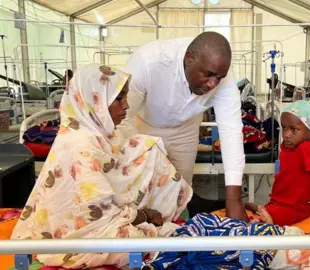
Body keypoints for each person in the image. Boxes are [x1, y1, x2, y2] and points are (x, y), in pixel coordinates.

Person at [11, 64, 192, 268]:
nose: (125, 106)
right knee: (135, 243)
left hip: (101, 209)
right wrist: (142, 215)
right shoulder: (80, 146)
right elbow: (95, 211)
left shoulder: (101, 134)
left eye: (125, 97)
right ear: (94, 101)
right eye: (118, 98)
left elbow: (118, 170)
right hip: (78, 225)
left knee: (145, 147)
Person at [121, 31, 247, 220]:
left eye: (218, 78)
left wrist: (234, 199)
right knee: (142, 189)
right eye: (208, 75)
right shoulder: (148, 62)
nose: (213, 84)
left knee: (180, 193)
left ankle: (174, 233)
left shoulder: (224, 77)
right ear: (189, 58)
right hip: (145, 127)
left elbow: (231, 131)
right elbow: (122, 115)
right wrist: (143, 148)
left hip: (186, 130)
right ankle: (142, 232)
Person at [143, 213, 310, 270]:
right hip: (252, 233)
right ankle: (183, 237)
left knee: (211, 250)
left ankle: (162, 260)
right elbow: (280, 232)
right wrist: (270, 224)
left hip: (257, 251)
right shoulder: (301, 234)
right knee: (208, 224)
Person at [246, 100, 310, 226]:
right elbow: (306, 176)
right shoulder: (287, 146)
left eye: (294, 130)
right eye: (284, 128)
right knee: (269, 211)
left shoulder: (306, 148)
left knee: (266, 219)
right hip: (279, 201)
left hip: (294, 207)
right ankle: (263, 211)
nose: (286, 134)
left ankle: (265, 215)